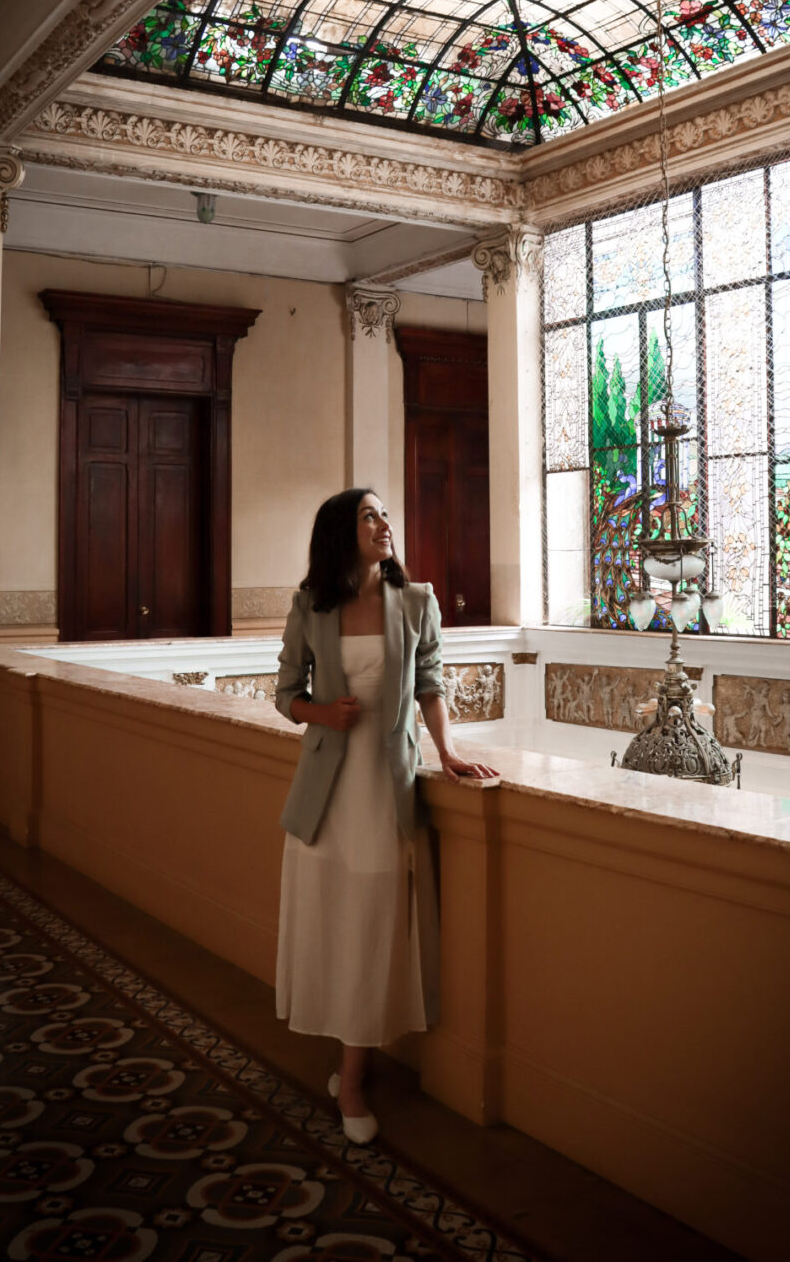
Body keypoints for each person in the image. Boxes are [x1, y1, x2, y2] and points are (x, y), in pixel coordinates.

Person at [274, 487, 498, 1143]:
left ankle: (353, 1080)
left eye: (386, 514)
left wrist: (448, 751)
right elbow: (286, 695)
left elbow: (430, 684)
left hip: (386, 791)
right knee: (334, 922)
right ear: (342, 532)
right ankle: (349, 1076)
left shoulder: (417, 601)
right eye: (369, 515)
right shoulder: (309, 604)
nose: (384, 524)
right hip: (325, 796)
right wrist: (324, 713)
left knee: (373, 927)